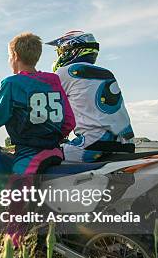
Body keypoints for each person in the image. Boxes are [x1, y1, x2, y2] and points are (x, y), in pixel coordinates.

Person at [0, 32, 75, 174]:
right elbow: (69, 121)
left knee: (14, 194)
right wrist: (52, 137)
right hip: (55, 151)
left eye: (9, 57)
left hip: (30, 155)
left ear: (15, 56)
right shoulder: (53, 80)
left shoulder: (13, 84)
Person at [46, 30, 134, 162]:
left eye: (59, 51)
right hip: (127, 145)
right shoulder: (107, 73)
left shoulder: (64, 73)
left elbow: (48, 109)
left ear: (69, 50)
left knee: (40, 158)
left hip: (94, 145)